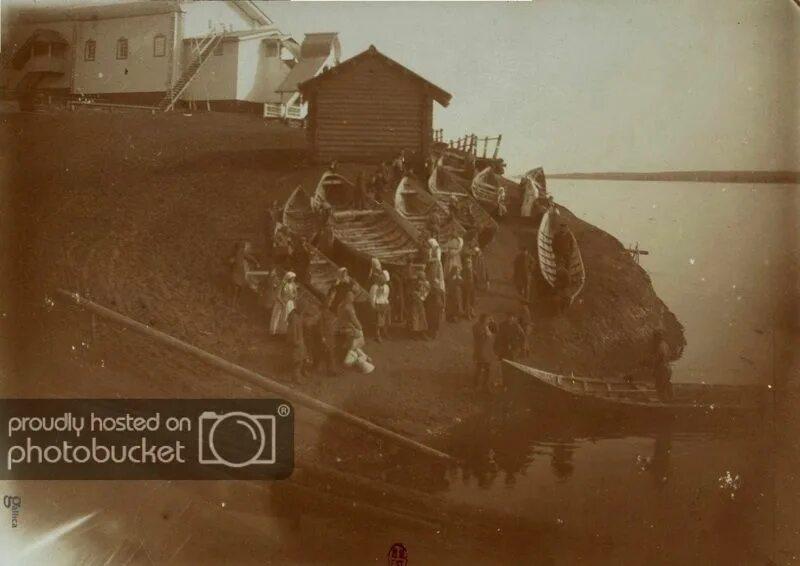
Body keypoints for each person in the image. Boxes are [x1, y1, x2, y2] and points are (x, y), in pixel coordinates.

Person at [311, 291, 339, 376]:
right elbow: (320, 326)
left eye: (330, 301)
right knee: (327, 352)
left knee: (328, 352)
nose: (330, 303)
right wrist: (323, 336)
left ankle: (330, 369)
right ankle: (330, 370)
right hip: (325, 336)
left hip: (329, 335)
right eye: (329, 302)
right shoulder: (321, 312)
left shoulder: (328, 311)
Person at [229, 241, 259, 307]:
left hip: (238, 273)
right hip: (239, 273)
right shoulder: (240, 252)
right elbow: (249, 257)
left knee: (237, 289)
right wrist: (256, 262)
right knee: (238, 289)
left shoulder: (236, 253)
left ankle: (234, 303)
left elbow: (232, 261)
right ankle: (234, 303)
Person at [286, 302, 308, 383]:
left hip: (300, 340)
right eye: (303, 308)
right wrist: (295, 341)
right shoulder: (294, 317)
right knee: (296, 361)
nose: (303, 311)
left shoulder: (299, 315)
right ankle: (296, 378)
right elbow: (293, 330)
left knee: (301, 359)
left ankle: (297, 376)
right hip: (295, 341)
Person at [472, 314, 494, 392]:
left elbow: (494, 331)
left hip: (486, 351)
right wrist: (486, 329)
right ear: (483, 319)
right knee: (481, 367)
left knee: (486, 368)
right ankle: (477, 384)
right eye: (488, 319)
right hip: (482, 351)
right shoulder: (478, 327)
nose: (489, 321)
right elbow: (485, 336)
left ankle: (484, 384)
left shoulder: (485, 326)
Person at [370, 270, 391, 342]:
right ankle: (377, 335)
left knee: (385, 320)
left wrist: (387, 304)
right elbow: (373, 297)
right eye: (382, 281)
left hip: (384, 304)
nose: (383, 282)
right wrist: (373, 305)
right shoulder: (375, 287)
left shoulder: (386, 286)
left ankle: (385, 332)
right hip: (378, 304)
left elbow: (386, 296)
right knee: (378, 321)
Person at [652, 330, 673, 401]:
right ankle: (668, 401)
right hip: (668, 368)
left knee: (660, 388)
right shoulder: (665, 345)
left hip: (662, 369)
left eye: (655, 337)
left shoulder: (660, 346)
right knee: (665, 386)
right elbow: (669, 356)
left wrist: (654, 370)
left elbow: (659, 359)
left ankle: (663, 405)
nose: (654, 339)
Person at [409, 275, 429, 339]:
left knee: (422, 317)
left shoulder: (424, 285)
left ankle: (423, 333)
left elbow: (426, 291)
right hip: (415, 303)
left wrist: (422, 296)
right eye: (420, 280)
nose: (420, 282)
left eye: (422, 280)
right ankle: (414, 333)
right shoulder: (414, 285)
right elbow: (412, 294)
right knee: (415, 318)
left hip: (421, 302)